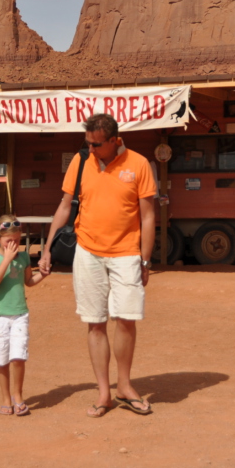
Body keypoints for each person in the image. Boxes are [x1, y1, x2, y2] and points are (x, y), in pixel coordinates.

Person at [41, 113, 156, 417]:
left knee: (126, 319)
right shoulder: (81, 162)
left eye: (96, 144)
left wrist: (145, 259)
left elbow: (147, 216)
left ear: (115, 140)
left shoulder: (139, 164)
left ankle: (125, 386)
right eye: (87, 143)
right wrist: (47, 248)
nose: (90, 149)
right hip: (88, 252)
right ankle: (104, 393)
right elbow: (65, 205)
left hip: (127, 254)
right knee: (95, 322)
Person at [0, 214, 49, 416]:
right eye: (9, 240)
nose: (13, 244)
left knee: (18, 357)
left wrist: (42, 275)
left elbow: (28, 281)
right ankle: (6, 399)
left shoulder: (24, 257)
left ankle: (18, 396)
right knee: (2, 360)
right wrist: (7, 259)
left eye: (17, 240)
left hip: (20, 314)